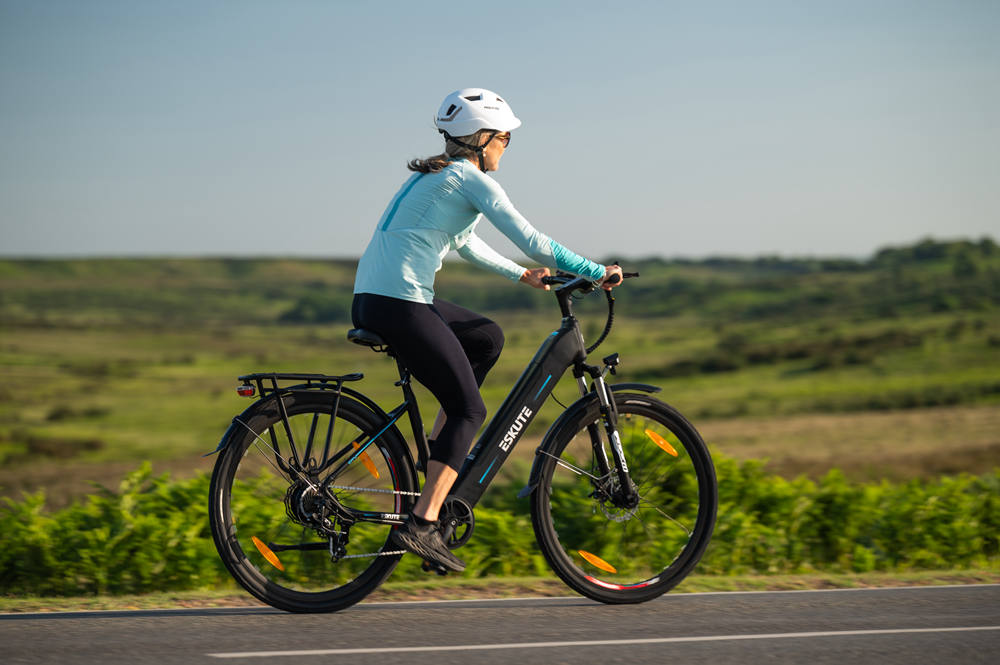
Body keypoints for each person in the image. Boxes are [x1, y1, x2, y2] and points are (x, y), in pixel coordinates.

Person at [352, 88, 622, 572]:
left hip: (380, 299)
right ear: (482, 138)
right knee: (469, 409)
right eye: (505, 139)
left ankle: (440, 458)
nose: (505, 148)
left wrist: (521, 275)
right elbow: (533, 239)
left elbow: (467, 243)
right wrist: (595, 270)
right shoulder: (468, 179)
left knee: (485, 337)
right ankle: (422, 522)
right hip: (400, 303)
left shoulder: (436, 178)